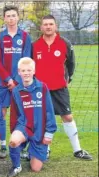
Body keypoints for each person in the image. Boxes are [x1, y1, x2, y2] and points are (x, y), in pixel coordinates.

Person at [32, 14, 92, 160]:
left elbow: (71, 63)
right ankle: (45, 149)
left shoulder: (64, 43)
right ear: (41, 27)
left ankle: (77, 150)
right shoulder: (35, 45)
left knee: (67, 116)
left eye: (50, 24)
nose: (48, 26)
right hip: (40, 89)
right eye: (45, 24)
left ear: (55, 26)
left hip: (59, 88)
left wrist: (68, 78)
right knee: (43, 119)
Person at [0, 5, 32, 158]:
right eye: (8, 16)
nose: (11, 18)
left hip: (20, 82)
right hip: (2, 82)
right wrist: (8, 79)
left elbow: (26, 60)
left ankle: (21, 144)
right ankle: (2, 144)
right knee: (1, 113)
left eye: (13, 15)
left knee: (22, 113)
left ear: (18, 17)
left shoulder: (25, 36)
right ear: (4, 18)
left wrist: (16, 79)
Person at [7, 57, 57, 177]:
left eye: (29, 70)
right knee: (13, 141)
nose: (26, 73)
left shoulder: (43, 87)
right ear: (19, 72)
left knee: (36, 168)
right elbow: (14, 113)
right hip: (24, 126)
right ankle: (16, 166)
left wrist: (49, 133)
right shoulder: (16, 91)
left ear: (34, 71)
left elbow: (49, 111)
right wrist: (14, 131)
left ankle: (31, 153)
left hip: (39, 130)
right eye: (23, 71)